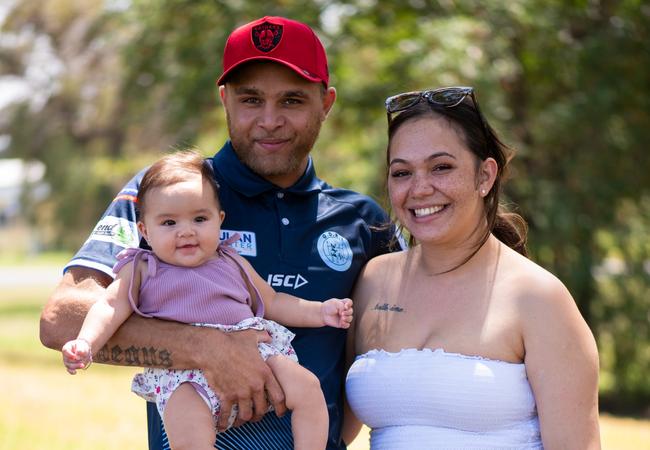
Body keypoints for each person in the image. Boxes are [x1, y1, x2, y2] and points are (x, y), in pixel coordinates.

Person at [39, 16, 396, 450]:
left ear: (326, 103)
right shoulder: (169, 194)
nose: (269, 120)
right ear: (224, 99)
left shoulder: (364, 220)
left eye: (292, 100)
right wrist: (207, 347)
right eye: (250, 100)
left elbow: (386, 348)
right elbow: (61, 319)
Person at [342, 87, 601, 449]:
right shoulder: (374, 280)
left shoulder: (538, 298)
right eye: (402, 173)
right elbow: (335, 430)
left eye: (441, 167)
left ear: (485, 176)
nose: (419, 189)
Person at [62, 150, 354, 450]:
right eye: (169, 223)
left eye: (200, 218)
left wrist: (322, 311)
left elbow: (275, 301)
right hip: (181, 373)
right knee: (188, 434)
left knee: (308, 388)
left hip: (256, 351)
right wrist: (86, 342)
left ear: (219, 220)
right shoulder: (141, 267)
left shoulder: (230, 260)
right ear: (144, 230)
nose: (186, 231)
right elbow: (110, 306)